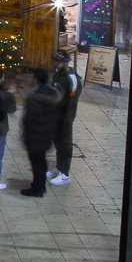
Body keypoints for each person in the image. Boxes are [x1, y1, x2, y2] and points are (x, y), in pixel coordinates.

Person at [21, 68, 62, 198]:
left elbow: (30, 118)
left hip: (35, 135)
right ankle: (41, 185)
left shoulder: (34, 97)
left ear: (36, 79)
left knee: (36, 162)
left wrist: (25, 133)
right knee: (42, 160)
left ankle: (37, 189)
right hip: (47, 134)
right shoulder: (54, 95)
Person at [49, 53, 82, 186]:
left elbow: (72, 101)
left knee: (65, 144)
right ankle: (59, 167)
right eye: (55, 61)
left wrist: (67, 117)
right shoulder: (57, 75)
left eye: (58, 62)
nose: (56, 64)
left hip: (65, 117)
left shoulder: (72, 79)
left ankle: (65, 173)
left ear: (66, 62)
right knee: (57, 142)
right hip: (55, 115)